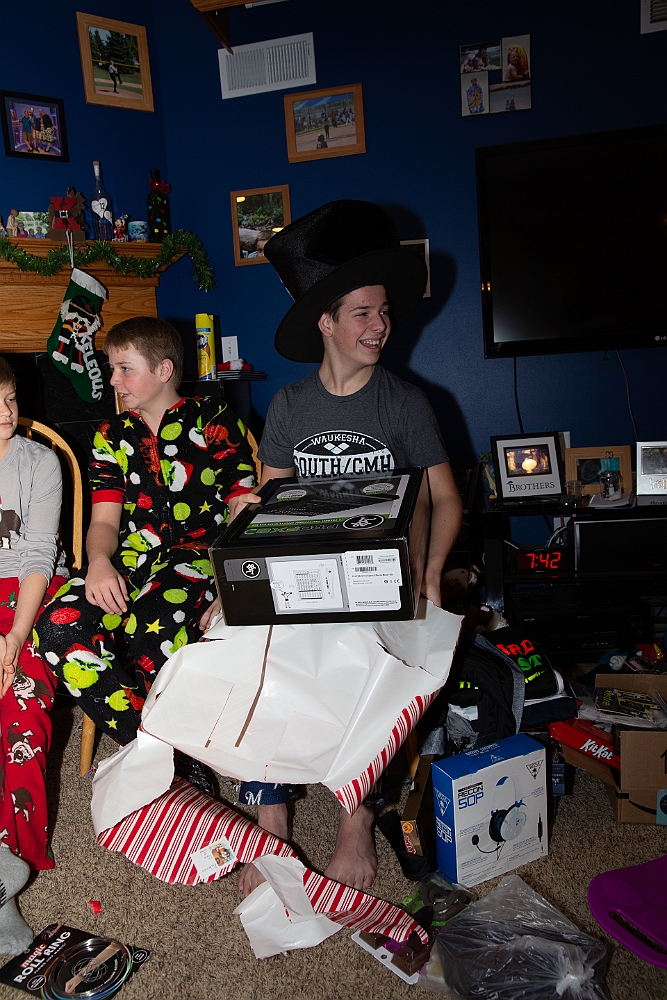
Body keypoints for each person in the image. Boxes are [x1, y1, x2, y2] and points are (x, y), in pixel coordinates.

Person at [223, 200, 463, 895]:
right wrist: (248, 510)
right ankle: (270, 815)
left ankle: (356, 814)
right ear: (326, 323)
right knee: (252, 649)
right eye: (362, 313)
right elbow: (270, 501)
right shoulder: (290, 407)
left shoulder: (404, 403)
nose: (379, 325)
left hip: (381, 583)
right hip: (303, 582)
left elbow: (446, 498)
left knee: (371, 664)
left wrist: (430, 572)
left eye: (383, 312)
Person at [35, 317, 255, 753]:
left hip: (199, 558)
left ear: (164, 370)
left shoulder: (211, 418)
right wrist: (99, 563)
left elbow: (241, 506)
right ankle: (157, 752)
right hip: (132, 559)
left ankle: (165, 758)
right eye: (111, 369)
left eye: (125, 369)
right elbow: (104, 521)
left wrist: (231, 584)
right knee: (58, 627)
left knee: (151, 632)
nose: (113, 381)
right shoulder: (110, 435)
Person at [0, 356, 67, 955]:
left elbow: (37, 555)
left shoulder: (39, 462)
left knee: (22, 710)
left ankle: (9, 864)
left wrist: (15, 639)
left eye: (11, 398)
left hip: (31, 597)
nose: (5, 413)